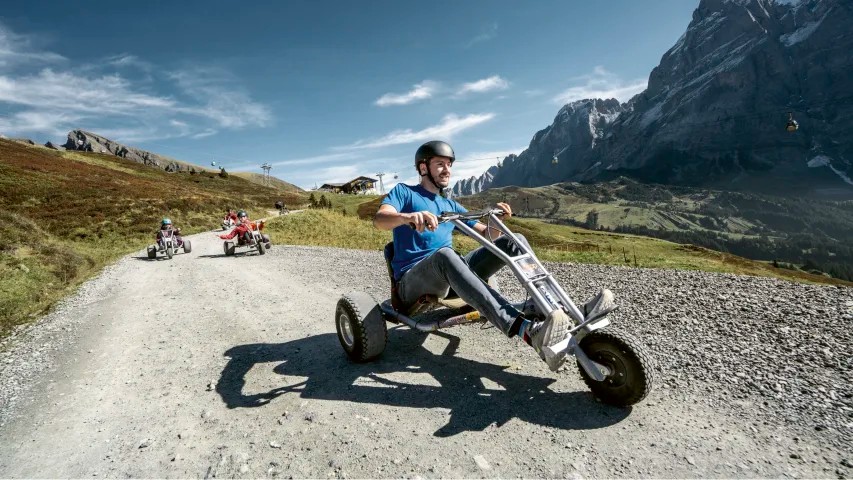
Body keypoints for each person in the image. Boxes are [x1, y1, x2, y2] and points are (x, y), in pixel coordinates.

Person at [373, 140, 572, 371]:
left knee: (514, 240)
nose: (447, 169)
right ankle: (525, 330)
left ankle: (553, 307)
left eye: (449, 164)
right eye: (440, 164)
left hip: (450, 275)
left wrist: (498, 219)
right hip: (412, 283)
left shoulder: (450, 205)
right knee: (445, 255)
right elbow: (380, 220)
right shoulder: (404, 193)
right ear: (423, 168)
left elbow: (487, 235)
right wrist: (407, 217)